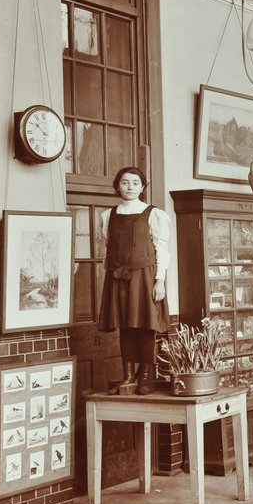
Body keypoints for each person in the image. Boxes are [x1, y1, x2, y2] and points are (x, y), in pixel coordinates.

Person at [98, 166, 170, 395]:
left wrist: (160, 281)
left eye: (135, 183)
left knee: (146, 325)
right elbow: (107, 247)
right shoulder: (107, 215)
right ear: (117, 186)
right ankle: (128, 374)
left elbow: (162, 249)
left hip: (145, 277)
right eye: (125, 182)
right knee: (126, 327)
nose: (130, 187)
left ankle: (146, 375)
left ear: (142, 187)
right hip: (118, 278)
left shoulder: (153, 214)